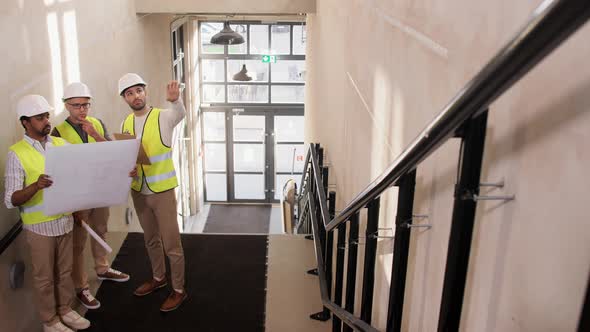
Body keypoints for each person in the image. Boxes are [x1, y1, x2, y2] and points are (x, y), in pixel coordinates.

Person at [4, 95, 91, 332]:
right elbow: (11, 200)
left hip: (64, 221)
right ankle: (49, 320)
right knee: (44, 278)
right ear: (25, 122)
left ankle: (65, 310)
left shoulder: (61, 145)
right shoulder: (17, 153)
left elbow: (82, 170)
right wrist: (36, 186)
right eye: (39, 117)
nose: (46, 121)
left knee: (65, 272)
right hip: (39, 226)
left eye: (46, 116)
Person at [52, 82, 130, 310]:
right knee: (78, 243)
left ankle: (103, 268)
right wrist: (71, 205)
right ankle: (82, 287)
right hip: (78, 194)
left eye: (85, 105)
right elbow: (60, 168)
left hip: (100, 189)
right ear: (66, 106)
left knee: (100, 230)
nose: (82, 110)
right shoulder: (58, 131)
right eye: (76, 106)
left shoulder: (97, 123)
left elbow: (111, 152)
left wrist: (95, 134)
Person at [118, 73, 187, 311]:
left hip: (162, 191)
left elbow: (179, 114)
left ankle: (178, 290)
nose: (135, 96)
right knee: (150, 239)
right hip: (139, 190)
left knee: (172, 244)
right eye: (129, 93)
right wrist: (128, 169)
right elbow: (128, 155)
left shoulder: (163, 116)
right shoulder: (125, 123)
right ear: (125, 98)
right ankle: (159, 278)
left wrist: (175, 100)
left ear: (145, 92)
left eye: (139, 90)